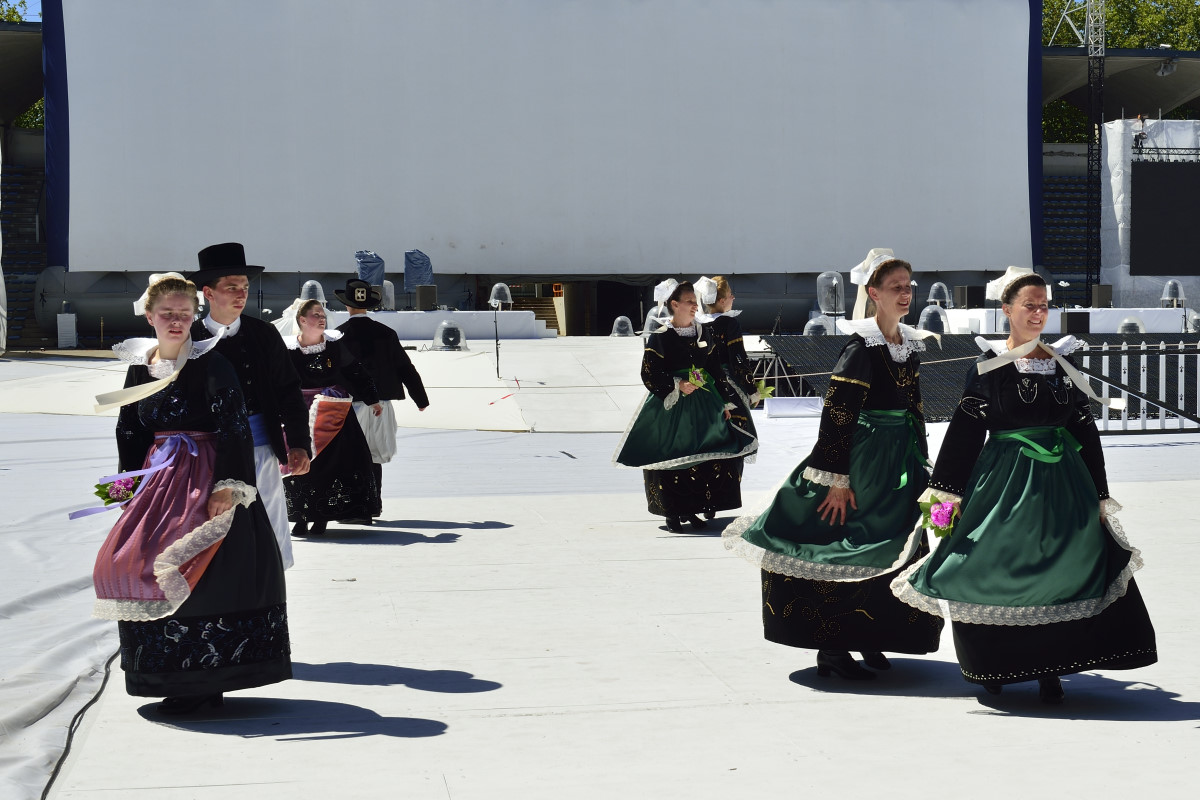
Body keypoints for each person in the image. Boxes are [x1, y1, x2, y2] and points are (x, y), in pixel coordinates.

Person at [892, 267, 1156, 703]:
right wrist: (940, 507)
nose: (1038, 313)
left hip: (1061, 485)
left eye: (1044, 305)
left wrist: (1101, 493)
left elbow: (1084, 429)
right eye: (1029, 305)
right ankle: (993, 667)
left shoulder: (1062, 363)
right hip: (1004, 483)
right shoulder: (990, 364)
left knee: (1066, 565)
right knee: (989, 564)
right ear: (1007, 310)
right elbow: (963, 434)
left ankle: (1052, 668)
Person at [723, 253, 943, 680]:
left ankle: (872, 633)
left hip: (899, 463)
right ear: (873, 293)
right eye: (896, 286)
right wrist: (836, 480)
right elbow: (838, 414)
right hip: (864, 462)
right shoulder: (861, 348)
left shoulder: (908, 346)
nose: (906, 293)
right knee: (850, 547)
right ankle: (833, 646)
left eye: (909, 285)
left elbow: (913, 409)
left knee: (895, 547)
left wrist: (921, 461)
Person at [91, 273, 291, 713]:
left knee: (199, 567)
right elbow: (130, 427)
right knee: (127, 560)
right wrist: (127, 483)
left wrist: (229, 485)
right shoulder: (140, 365)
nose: (177, 321)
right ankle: (166, 672)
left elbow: (234, 423)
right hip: (159, 476)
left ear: (193, 315)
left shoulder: (212, 363)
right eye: (168, 314)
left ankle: (205, 680)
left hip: (204, 474)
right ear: (150, 316)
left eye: (184, 314)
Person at [188, 242, 312, 570]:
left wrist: (299, 443)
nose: (241, 294)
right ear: (208, 293)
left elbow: (289, 390)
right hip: (204, 456)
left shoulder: (264, 335)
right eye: (231, 287)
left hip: (260, 451)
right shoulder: (187, 338)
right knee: (208, 530)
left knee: (267, 523)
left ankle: (266, 591)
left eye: (244, 287)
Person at [613, 279, 758, 532]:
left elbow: (711, 368)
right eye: (690, 302)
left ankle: (691, 508)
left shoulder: (703, 332)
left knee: (702, 455)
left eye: (694, 301)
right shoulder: (660, 337)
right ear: (674, 304)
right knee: (673, 454)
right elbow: (649, 372)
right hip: (671, 405)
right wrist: (677, 384)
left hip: (703, 400)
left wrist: (722, 400)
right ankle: (671, 513)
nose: (695, 306)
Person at [283, 298, 383, 535]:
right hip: (301, 411)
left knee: (332, 463)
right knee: (301, 461)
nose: (321, 318)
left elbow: (355, 371)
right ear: (302, 320)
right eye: (315, 315)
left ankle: (322, 517)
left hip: (333, 410)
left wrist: (372, 398)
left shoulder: (334, 345)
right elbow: (277, 380)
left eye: (323, 315)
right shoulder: (287, 350)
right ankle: (301, 516)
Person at [334, 278, 430, 523]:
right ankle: (374, 504)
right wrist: (420, 398)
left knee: (352, 455)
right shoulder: (386, 333)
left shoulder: (338, 335)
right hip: (382, 403)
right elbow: (405, 367)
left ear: (347, 305)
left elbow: (334, 373)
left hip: (350, 404)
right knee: (375, 455)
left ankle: (356, 507)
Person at [696, 275, 761, 489]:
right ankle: (726, 491)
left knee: (706, 441)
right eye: (730, 294)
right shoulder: (729, 323)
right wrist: (752, 389)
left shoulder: (697, 323)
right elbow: (738, 359)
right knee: (735, 438)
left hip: (702, 387)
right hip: (728, 387)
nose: (733, 298)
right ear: (722, 300)